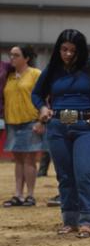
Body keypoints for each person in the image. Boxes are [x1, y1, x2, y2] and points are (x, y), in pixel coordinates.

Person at [32, 29, 90, 238]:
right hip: (57, 126)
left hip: (86, 127)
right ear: (58, 49)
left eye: (73, 50)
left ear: (81, 50)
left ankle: (87, 221)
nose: (68, 54)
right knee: (65, 176)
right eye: (64, 49)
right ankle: (69, 220)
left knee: (86, 173)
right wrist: (42, 109)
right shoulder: (53, 69)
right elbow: (36, 94)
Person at [3, 45, 45, 207]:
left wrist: (41, 121)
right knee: (18, 159)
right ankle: (18, 194)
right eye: (11, 55)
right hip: (12, 121)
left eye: (16, 55)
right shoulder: (9, 76)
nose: (11, 58)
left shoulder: (36, 74)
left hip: (31, 121)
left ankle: (30, 195)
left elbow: (45, 98)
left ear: (26, 58)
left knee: (29, 159)